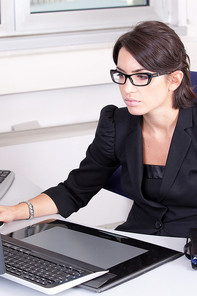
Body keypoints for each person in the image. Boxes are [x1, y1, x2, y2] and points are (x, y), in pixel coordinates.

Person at [0, 20, 196, 237]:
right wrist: (14, 211)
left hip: (188, 253)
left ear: (174, 80)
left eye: (142, 76)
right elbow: (76, 190)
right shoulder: (117, 123)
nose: (127, 88)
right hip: (139, 242)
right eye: (122, 75)